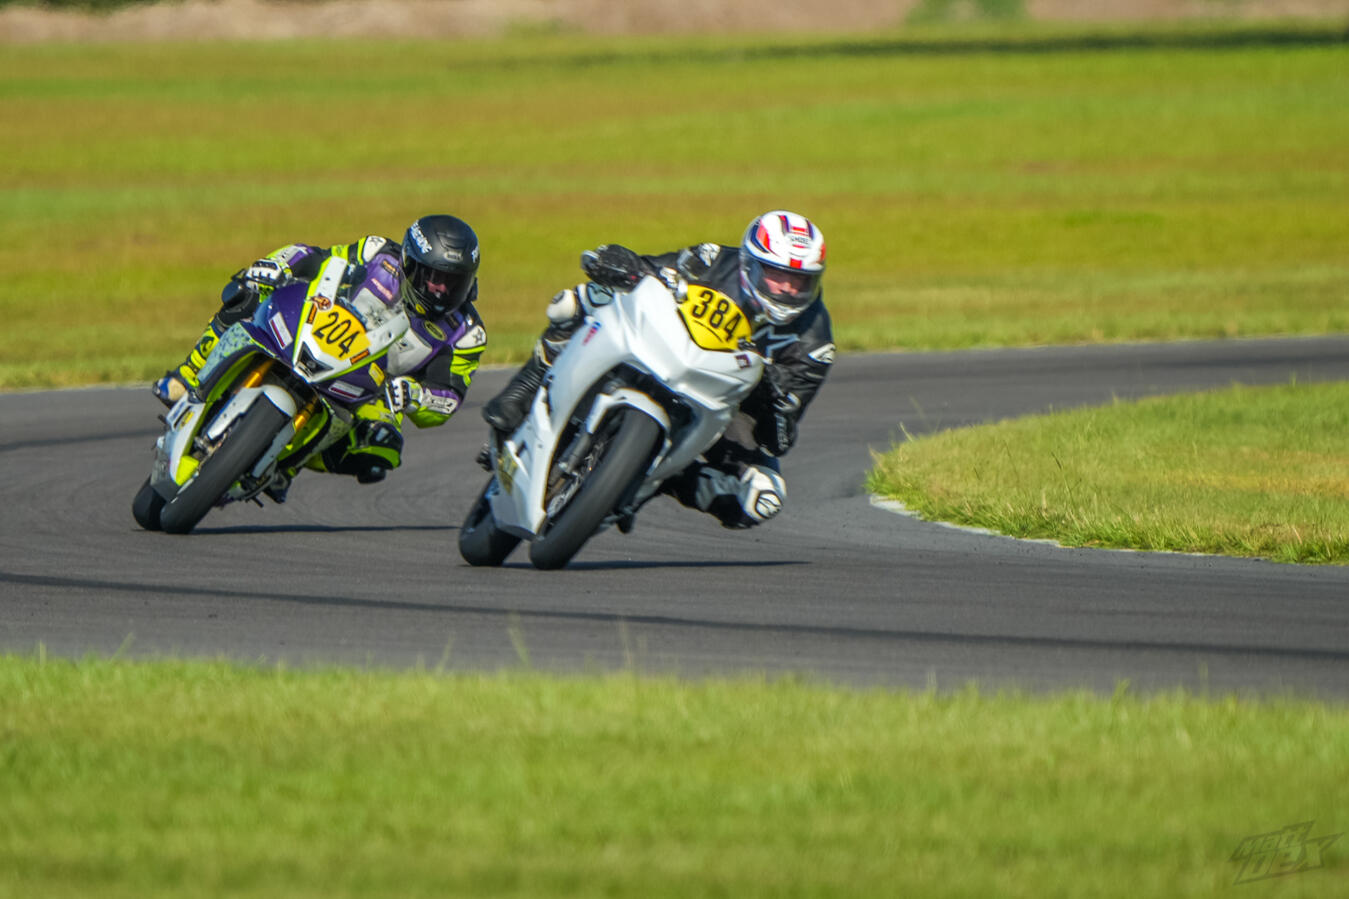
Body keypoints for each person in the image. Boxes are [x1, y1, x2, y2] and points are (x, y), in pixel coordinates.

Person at [481, 209, 833, 529]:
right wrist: (623, 265)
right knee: (584, 298)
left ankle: (660, 478)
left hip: (727, 404)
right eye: (777, 275)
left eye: (800, 281)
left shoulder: (815, 344)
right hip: (667, 348)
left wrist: (775, 400)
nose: (788, 289)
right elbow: (654, 273)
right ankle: (522, 391)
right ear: (751, 264)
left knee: (763, 498)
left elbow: (774, 436)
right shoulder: (713, 260)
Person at [154, 214, 488, 498]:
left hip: (372, 390)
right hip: (319, 333)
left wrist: (413, 395)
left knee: (381, 448)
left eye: (453, 282)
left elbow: (448, 395)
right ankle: (189, 374)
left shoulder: (467, 332)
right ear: (410, 264)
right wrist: (275, 267)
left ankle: (287, 465)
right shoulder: (378, 254)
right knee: (245, 294)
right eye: (434, 278)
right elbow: (319, 258)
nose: (441, 290)